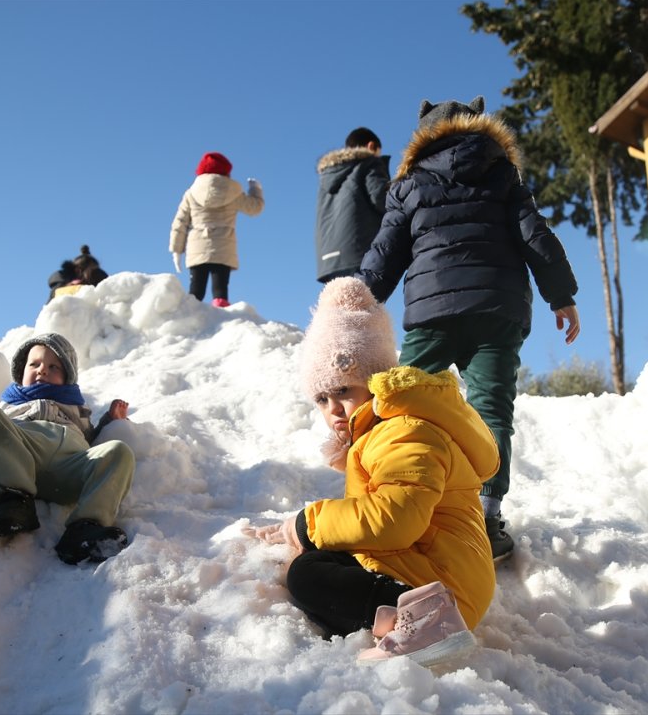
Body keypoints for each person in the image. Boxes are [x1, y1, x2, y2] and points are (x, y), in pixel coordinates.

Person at [357, 96, 581, 561]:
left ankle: (392, 496)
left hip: (432, 312)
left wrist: (357, 302)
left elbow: (386, 251)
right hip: (497, 311)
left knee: (402, 403)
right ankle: (486, 513)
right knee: (490, 410)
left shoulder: (410, 184)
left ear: (423, 135)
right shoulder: (502, 176)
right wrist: (561, 295)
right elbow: (535, 234)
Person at [244, 277, 498, 667]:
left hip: (446, 587)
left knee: (308, 575)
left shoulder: (405, 431)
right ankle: (398, 617)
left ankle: (426, 624)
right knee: (314, 563)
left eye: (344, 390)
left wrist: (307, 524)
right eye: (322, 398)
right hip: (428, 568)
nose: (333, 408)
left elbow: (394, 520)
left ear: (376, 382)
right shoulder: (380, 435)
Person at [0, 333, 134, 565]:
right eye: (34, 364)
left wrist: (111, 420)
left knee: (119, 451)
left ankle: (85, 529)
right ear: (21, 371)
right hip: (22, 458)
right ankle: (15, 503)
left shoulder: (78, 410)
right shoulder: (9, 407)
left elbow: (92, 439)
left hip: (69, 467)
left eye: (53, 366)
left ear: (68, 375)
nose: (42, 370)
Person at [169, 151, 264, 307]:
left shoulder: (191, 193)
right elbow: (255, 208)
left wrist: (176, 249)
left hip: (197, 246)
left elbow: (180, 222)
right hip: (224, 246)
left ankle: (190, 316)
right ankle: (222, 317)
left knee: (196, 291)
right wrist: (256, 190)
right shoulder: (234, 193)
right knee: (220, 291)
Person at [314, 127, 391, 284]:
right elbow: (382, 199)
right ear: (371, 146)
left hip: (328, 258)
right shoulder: (369, 164)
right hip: (358, 251)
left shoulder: (328, 175)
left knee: (341, 304)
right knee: (365, 304)